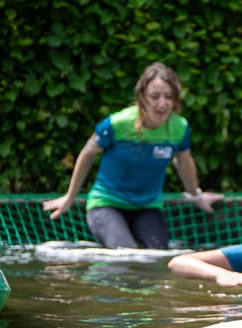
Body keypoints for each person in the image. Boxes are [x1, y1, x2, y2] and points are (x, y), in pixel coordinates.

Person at [43, 61, 223, 249]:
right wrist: (70, 197)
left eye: (168, 97)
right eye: (155, 96)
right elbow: (88, 152)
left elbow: (184, 161)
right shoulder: (118, 123)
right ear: (142, 98)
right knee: (127, 254)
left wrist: (196, 195)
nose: (162, 104)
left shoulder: (179, 127)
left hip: (147, 207)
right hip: (107, 203)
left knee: (157, 256)